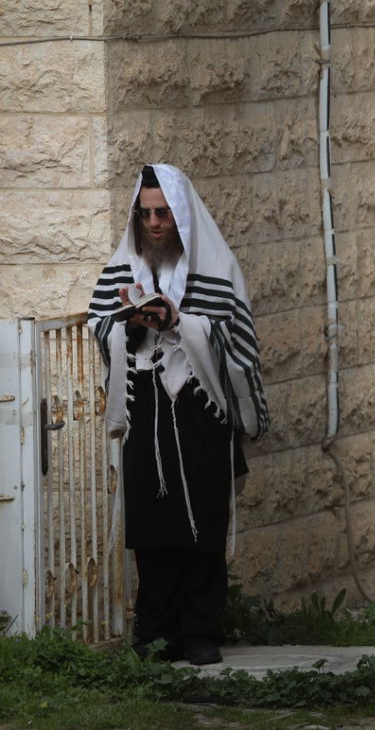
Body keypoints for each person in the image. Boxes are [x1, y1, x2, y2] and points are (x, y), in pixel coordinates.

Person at [87, 164, 268, 665]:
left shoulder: (217, 267)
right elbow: (101, 327)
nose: (154, 224)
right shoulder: (122, 266)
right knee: (152, 522)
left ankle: (199, 633)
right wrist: (134, 323)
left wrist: (179, 320)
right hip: (145, 404)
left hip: (199, 405)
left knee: (202, 520)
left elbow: (237, 345)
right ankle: (157, 633)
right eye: (145, 214)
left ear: (181, 215)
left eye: (163, 213)